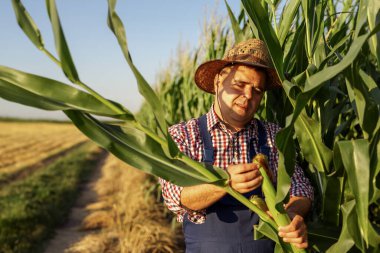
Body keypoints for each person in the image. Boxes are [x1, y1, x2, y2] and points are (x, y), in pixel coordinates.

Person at [159, 38, 314, 253]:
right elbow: (175, 196)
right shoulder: (183, 135)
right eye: (240, 85)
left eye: (257, 90)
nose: (248, 96)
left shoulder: (274, 135)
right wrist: (225, 182)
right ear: (218, 81)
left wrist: (292, 214)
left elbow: (301, 188)